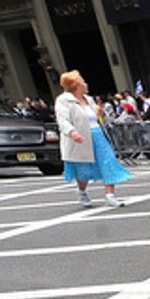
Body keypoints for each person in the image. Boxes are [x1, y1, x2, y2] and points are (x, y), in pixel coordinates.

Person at [55, 70, 130, 207]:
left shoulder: (88, 99)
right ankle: (81, 191)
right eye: (82, 81)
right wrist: (72, 132)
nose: (86, 84)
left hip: (98, 134)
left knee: (108, 162)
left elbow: (98, 118)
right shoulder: (63, 100)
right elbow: (62, 120)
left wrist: (101, 113)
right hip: (81, 137)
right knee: (83, 170)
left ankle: (110, 195)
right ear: (75, 85)